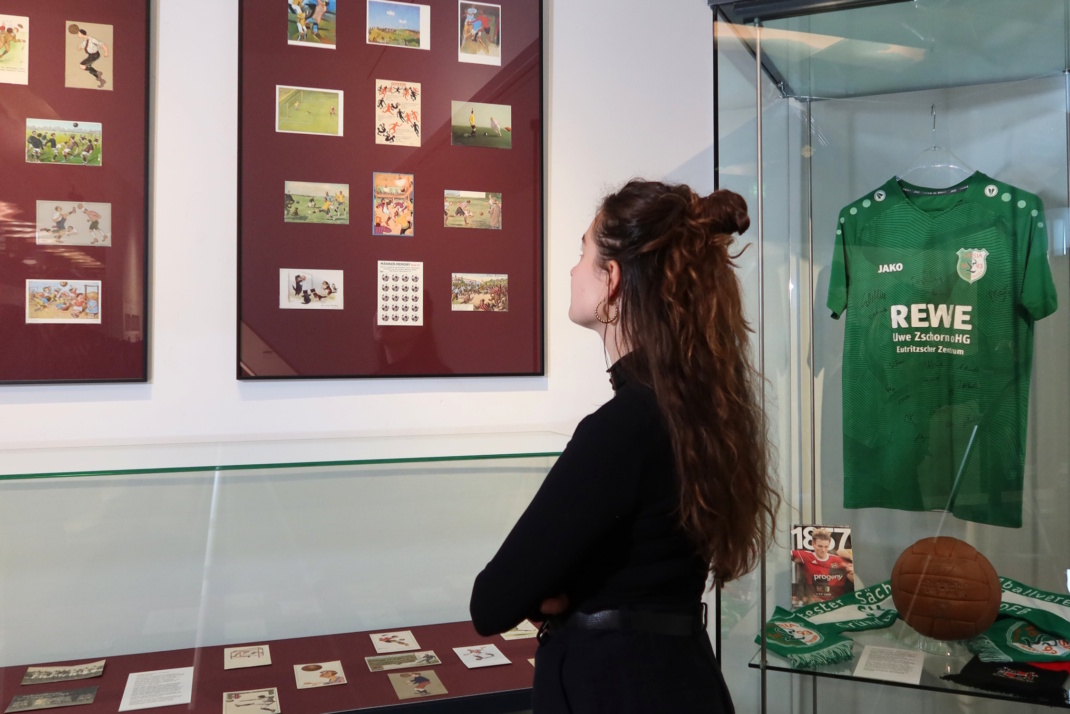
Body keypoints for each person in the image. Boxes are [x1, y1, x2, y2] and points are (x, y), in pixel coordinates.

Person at [470, 180, 779, 712]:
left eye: (581, 252)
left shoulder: (621, 428)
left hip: (617, 688)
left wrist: (556, 593)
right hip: (682, 679)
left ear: (611, 279)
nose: (571, 270)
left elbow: (493, 601)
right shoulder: (698, 411)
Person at [791, 529, 850, 604]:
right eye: (820, 546)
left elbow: (852, 572)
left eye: (826, 547)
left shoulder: (838, 560)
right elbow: (785, 553)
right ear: (813, 544)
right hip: (814, 603)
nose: (823, 550)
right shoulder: (805, 556)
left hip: (836, 604)